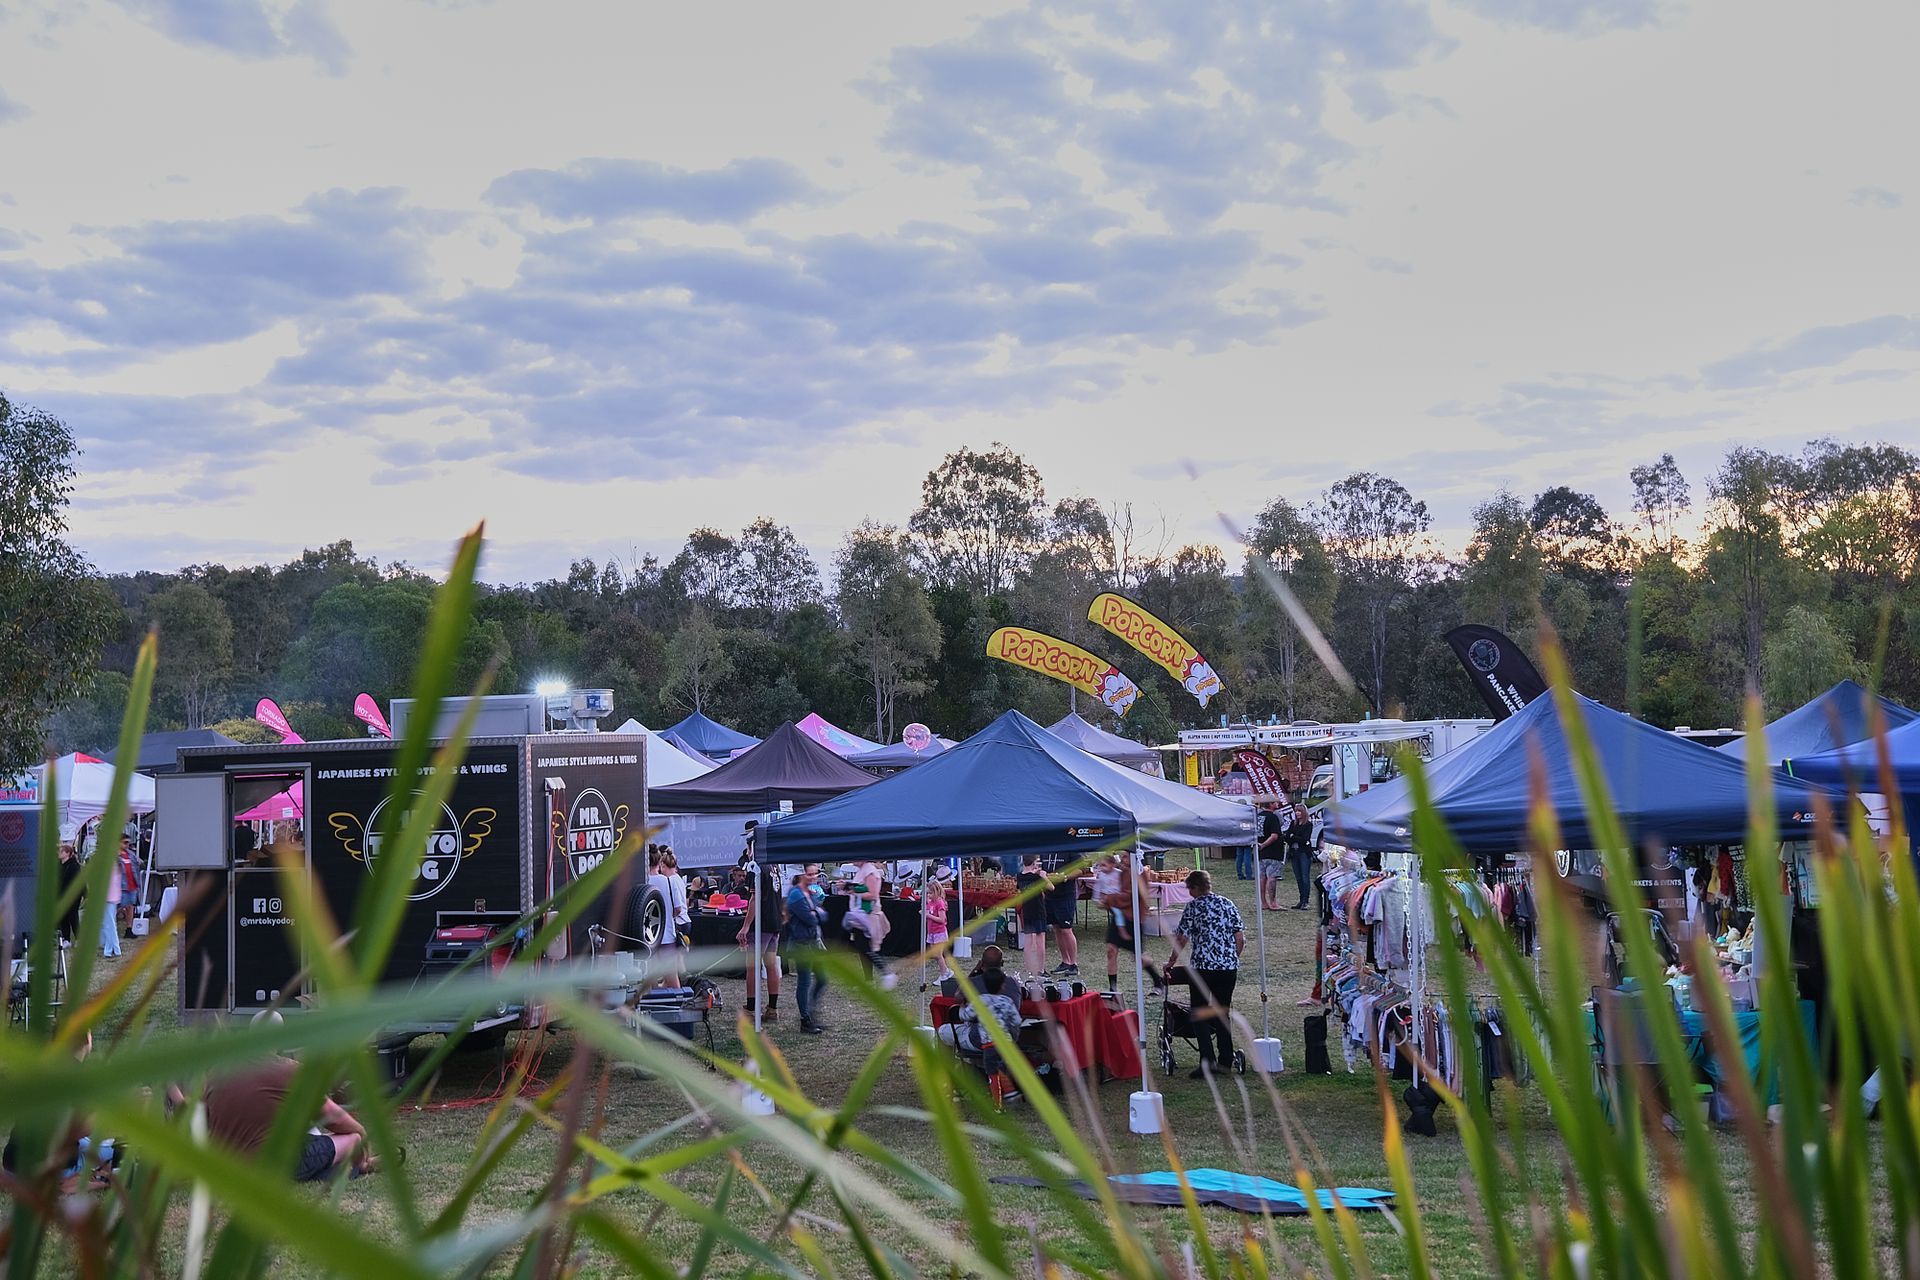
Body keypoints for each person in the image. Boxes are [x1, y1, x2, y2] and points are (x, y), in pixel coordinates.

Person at [202, 1013, 377, 1181]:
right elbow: (335, 1118)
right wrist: (361, 1132)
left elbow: (204, 1120)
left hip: (227, 1163)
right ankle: (361, 1165)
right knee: (353, 1139)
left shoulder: (217, 1071)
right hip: (270, 1165)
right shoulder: (289, 1070)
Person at [1173, 869, 1246, 1079]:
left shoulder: (1194, 908)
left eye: (1190, 889)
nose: (1189, 893)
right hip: (1228, 968)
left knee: (1200, 1013)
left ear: (1196, 887)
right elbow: (1240, 938)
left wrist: (1171, 962)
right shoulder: (1227, 903)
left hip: (1203, 968)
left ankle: (1208, 1061)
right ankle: (1225, 1060)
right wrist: (1233, 958)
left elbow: (1181, 939)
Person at [782, 867, 830, 1034]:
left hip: (813, 943)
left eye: (815, 873)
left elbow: (824, 916)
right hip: (802, 943)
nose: (814, 877)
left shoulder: (809, 893)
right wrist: (816, 912)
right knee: (804, 981)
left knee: (822, 978)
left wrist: (815, 912)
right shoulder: (796, 894)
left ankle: (811, 1013)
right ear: (800, 874)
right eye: (810, 874)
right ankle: (805, 1019)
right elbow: (811, 919)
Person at [736, 856, 783, 1021]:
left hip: (761, 924)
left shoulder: (755, 866)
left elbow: (754, 899)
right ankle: (772, 1009)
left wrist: (745, 926)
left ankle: (750, 1009)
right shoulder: (774, 865)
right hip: (774, 922)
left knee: (752, 967)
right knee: (771, 966)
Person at [842, 858, 893, 986]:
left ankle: (886, 974)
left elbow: (872, 895)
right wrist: (848, 887)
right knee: (862, 947)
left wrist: (853, 892)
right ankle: (870, 979)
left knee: (867, 948)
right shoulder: (862, 871)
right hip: (860, 916)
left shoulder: (870, 872)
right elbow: (860, 888)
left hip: (868, 916)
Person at [1043, 855, 1080, 977]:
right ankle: (1065, 961)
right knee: (1057, 928)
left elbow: (1079, 870)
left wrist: (1064, 877)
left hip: (1065, 894)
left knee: (1066, 929)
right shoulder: (1045, 850)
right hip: (1050, 895)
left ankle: (1074, 964)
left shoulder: (1068, 849)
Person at [1015, 856, 1052, 977]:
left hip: (1027, 910)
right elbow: (1051, 887)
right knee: (1040, 940)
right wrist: (1044, 876)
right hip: (1038, 910)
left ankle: (1029, 968)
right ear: (1034, 863)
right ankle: (1041, 969)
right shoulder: (1037, 877)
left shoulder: (1019, 876)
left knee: (1028, 941)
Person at [1283, 788, 1314, 909]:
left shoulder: (1308, 825)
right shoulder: (1293, 824)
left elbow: (1304, 839)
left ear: (1304, 813)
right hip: (1294, 853)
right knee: (1298, 877)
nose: (1297, 813)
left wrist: (1293, 836)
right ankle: (1301, 900)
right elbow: (1287, 837)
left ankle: (1306, 901)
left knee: (1305, 877)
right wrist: (1293, 837)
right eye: (1296, 811)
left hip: (1303, 853)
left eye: (1299, 811)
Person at [1256, 800, 1287, 913]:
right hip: (1273, 852)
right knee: (1272, 877)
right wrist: (1264, 845)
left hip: (1261, 852)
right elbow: (1274, 836)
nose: (1278, 803)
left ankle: (1264, 903)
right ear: (1270, 804)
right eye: (1275, 802)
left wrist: (1260, 845)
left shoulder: (1258, 817)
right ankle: (1273, 903)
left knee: (1262, 878)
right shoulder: (1273, 817)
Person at [99, 841, 125, 959]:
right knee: (108, 923)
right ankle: (110, 949)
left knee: (109, 923)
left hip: (109, 896)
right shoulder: (116, 864)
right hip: (111, 895)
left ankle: (115, 948)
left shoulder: (112, 865)